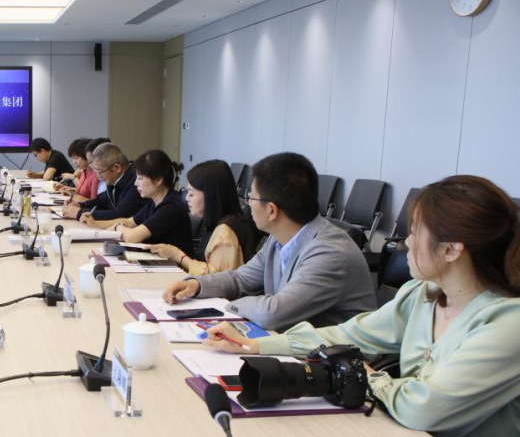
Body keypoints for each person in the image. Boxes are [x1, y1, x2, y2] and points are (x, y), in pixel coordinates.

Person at [203, 175, 520, 437]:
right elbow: (349, 335)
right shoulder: (422, 295)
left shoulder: (508, 324)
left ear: (451, 250)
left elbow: (423, 409)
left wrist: (368, 377)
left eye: (415, 232)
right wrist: (256, 345)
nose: (406, 242)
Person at [162, 153, 375, 330]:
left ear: (272, 210)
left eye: (252, 197)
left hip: (336, 360)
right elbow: (240, 279)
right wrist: (196, 285)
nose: (248, 203)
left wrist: (225, 305)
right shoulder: (278, 238)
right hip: (294, 345)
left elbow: (272, 313)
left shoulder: (329, 253)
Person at [149, 160, 261, 275]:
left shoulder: (225, 233)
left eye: (191, 194)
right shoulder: (219, 221)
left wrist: (177, 255)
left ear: (210, 196)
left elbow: (217, 280)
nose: (187, 198)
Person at [81, 150, 192, 250]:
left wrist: (117, 227)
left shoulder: (171, 206)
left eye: (140, 178)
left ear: (158, 180)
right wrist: (95, 223)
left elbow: (133, 237)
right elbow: (129, 222)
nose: (135, 183)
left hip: (173, 265)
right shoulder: (153, 201)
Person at [62, 142, 147, 221]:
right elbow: (101, 201)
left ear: (116, 168)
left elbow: (121, 215)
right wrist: (80, 205)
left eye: (99, 171)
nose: (98, 177)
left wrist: (79, 212)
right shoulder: (116, 178)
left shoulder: (136, 182)